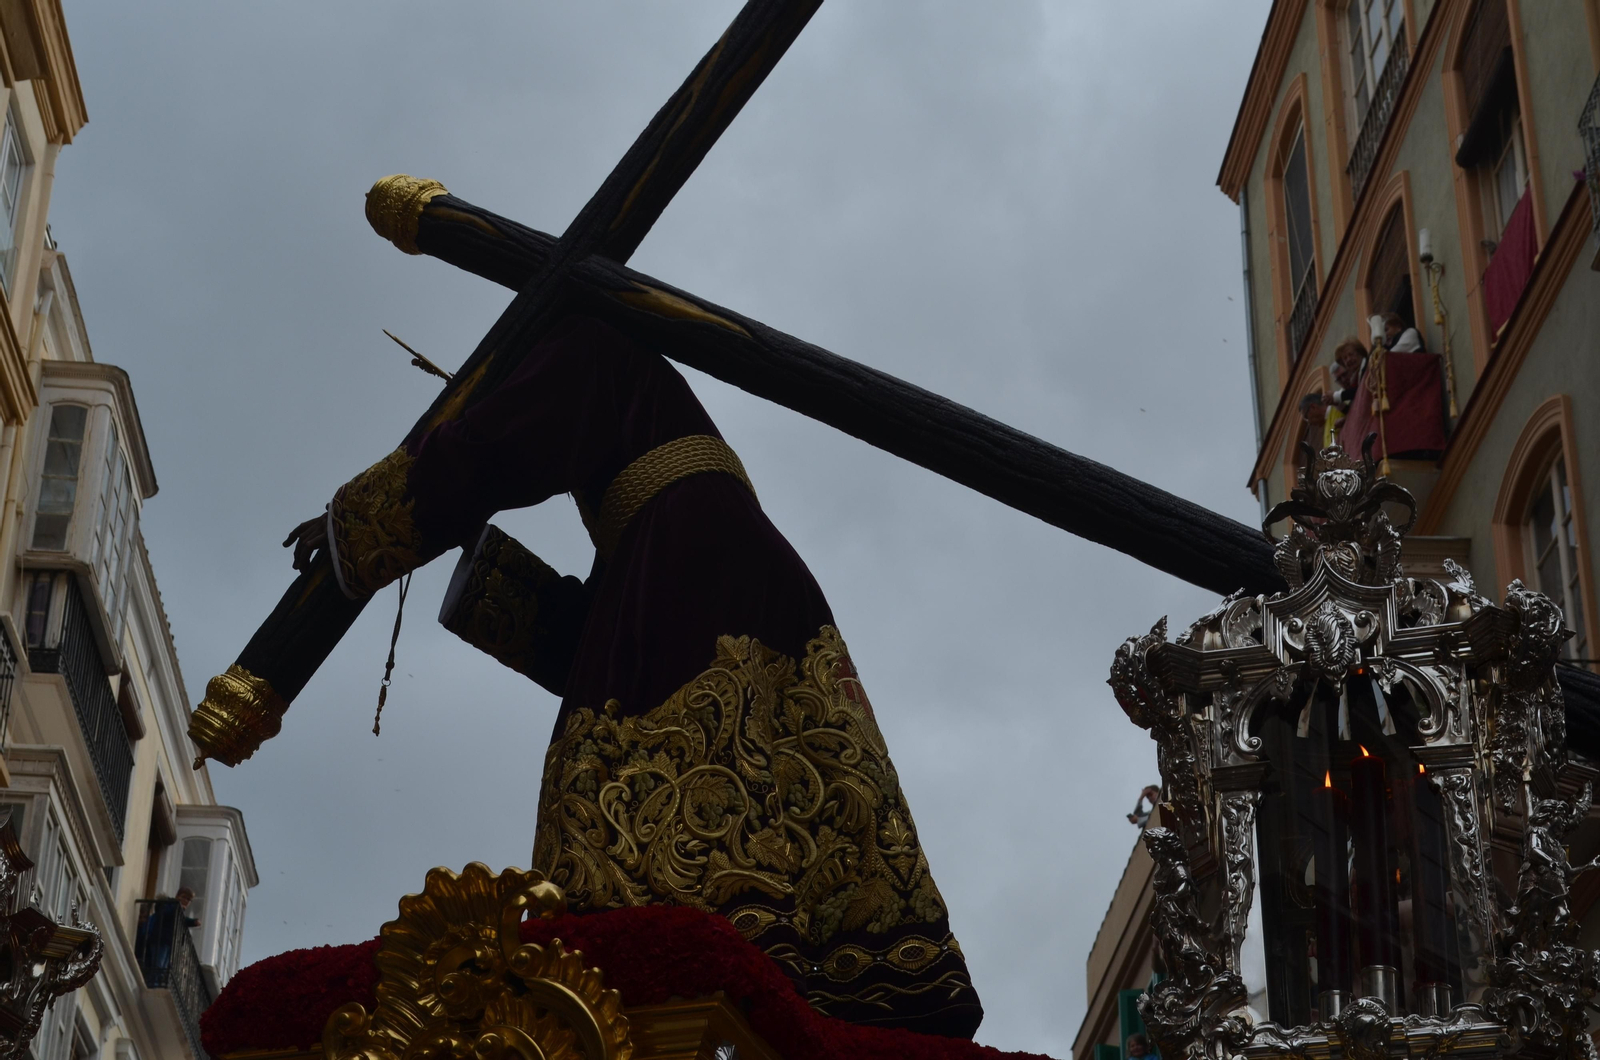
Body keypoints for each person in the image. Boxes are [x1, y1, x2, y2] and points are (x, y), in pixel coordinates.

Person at [282, 314, 981, 1037]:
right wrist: (489, 590)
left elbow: (492, 447)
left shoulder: (591, 344)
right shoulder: (654, 512)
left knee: (622, 770)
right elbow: (610, 648)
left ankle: (686, 939)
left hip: (696, 564)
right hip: (739, 575)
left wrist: (357, 522)